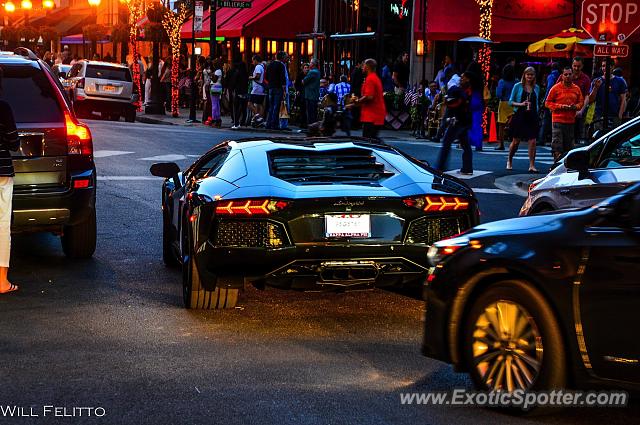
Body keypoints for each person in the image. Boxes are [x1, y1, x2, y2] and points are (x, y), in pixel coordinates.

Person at [0, 68, 19, 294]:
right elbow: (14, 144)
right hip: (2, 171)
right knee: (2, 225)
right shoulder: (3, 108)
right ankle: (2, 281)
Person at [545, 66, 584, 162]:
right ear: (562, 76)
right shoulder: (555, 88)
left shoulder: (576, 88)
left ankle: (566, 167)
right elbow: (547, 103)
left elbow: (581, 102)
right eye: (565, 74)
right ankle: (557, 164)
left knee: (569, 146)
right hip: (558, 120)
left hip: (570, 121)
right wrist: (560, 106)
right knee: (557, 146)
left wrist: (575, 107)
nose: (567, 76)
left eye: (569, 74)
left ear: (572, 75)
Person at [507, 66, 541, 172]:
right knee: (516, 141)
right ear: (524, 75)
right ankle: (509, 159)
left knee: (533, 141)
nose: (529, 76)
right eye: (528, 74)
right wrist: (521, 104)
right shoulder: (518, 86)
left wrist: (537, 112)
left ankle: (532, 165)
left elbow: (537, 102)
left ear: (534, 76)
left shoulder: (536, 88)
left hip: (532, 116)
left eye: (531, 74)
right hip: (520, 115)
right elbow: (510, 101)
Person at [435, 81, 473, 175]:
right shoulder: (462, 97)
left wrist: (439, 134)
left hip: (458, 122)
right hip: (462, 122)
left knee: (447, 143)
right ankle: (467, 168)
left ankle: (440, 166)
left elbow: (446, 119)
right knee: (465, 145)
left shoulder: (458, 100)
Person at [588, 61, 628, 131]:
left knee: (614, 139)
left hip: (615, 115)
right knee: (599, 137)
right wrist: (596, 88)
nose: (604, 68)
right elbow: (590, 100)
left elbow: (623, 99)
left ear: (612, 67)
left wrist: (620, 115)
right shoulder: (596, 81)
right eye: (603, 66)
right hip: (599, 115)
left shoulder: (620, 81)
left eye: (607, 66)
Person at [353, 59, 386, 140]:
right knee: (372, 139)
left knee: (368, 140)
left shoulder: (370, 79)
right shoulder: (374, 78)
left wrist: (358, 101)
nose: (362, 67)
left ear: (367, 67)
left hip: (372, 116)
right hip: (375, 114)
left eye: (363, 65)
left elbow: (369, 96)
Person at [494, 64, 516, 150]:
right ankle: (514, 142)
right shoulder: (516, 81)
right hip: (513, 103)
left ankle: (501, 144)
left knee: (501, 125)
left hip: (503, 103)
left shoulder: (502, 81)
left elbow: (498, 94)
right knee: (514, 124)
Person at [539, 62, 560, 146]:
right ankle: (553, 139)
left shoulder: (551, 76)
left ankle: (541, 139)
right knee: (555, 120)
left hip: (550, 101)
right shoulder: (560, 76)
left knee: (546, 120)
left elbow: (549, 88)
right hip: (558, 101)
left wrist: (545, 100)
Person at [265, 51, 287, 130]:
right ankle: (274, 124)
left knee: (271, 106)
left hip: (271, 87)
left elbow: (266, 76)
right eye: (285, 57)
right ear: (282, 57)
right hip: (278, 88)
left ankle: (268, 123)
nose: (286, 59)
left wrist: (270, 83)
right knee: (276, 106)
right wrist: (284, 90)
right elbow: (282, 78)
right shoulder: (281, 65)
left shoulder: (270, 64)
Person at [248, 54, 266, 126]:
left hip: (256, 88)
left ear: (255, 60)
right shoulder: (262, 66)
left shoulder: (258, 67)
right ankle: (260, 118)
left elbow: (258, 76)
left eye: (253, 60)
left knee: (249, 104)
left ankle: (258, 116)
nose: (252, 62)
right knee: (260, 104)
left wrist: (251, 77)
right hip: (261, 88)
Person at [303, 58, 321, 125]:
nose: (309, 63)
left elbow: (304, 81)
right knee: (313, 112)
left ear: (313, 64)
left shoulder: (312, 72)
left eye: (310, 62)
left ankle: (311, 127)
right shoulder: (317, 71)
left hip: (310, 95)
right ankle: (314, 126)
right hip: (314, 95)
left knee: (310, 113)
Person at [294, 63, 309, 128]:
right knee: (302, 108)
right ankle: (302, 123)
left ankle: (306, 123)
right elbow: (296, 84)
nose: (306, 69)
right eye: (305, 68)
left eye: (307, 68)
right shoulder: (300, 75)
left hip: (307, 92)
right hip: (301, 92)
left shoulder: (309, 75)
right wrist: (297, 90)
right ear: (302, 69)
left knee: (306, 108)